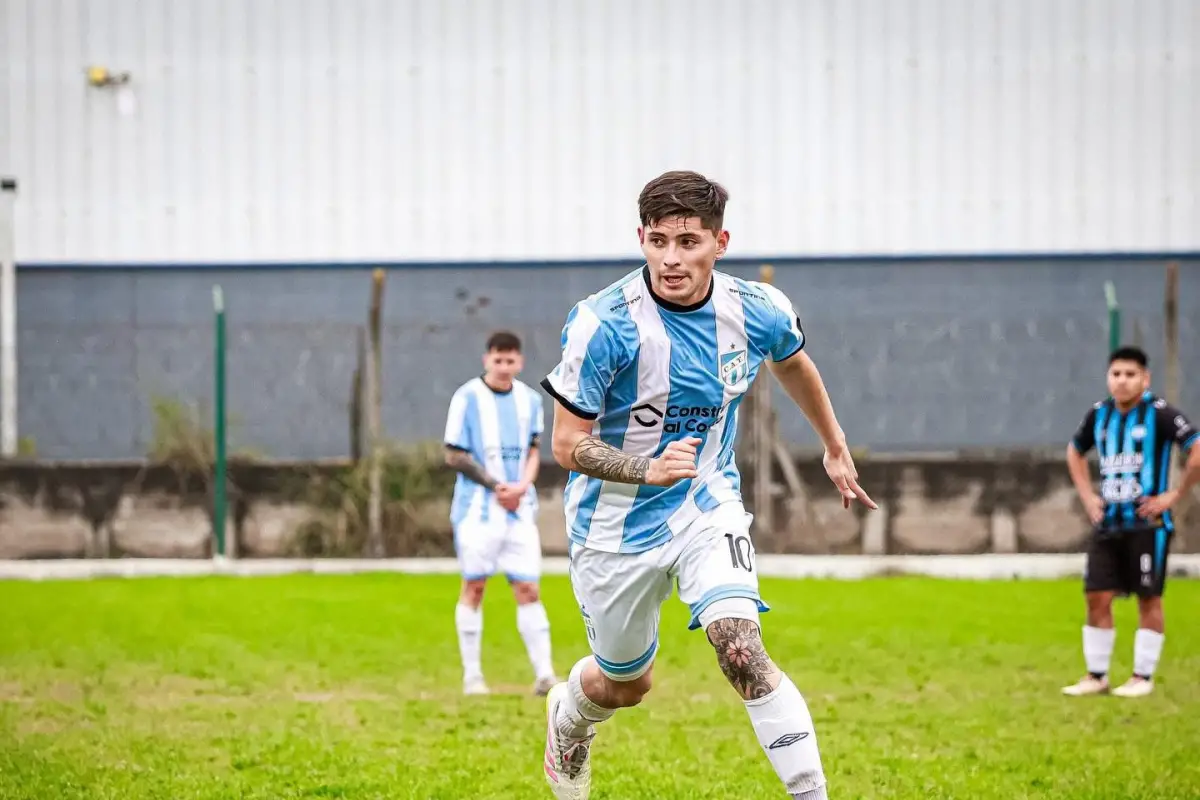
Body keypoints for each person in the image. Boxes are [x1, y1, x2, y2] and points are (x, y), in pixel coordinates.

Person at [537, 170, 877, 799]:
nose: (671, 258)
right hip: (612, 529)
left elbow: (793, 360)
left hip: (704, 504)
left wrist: (834, 444)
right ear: (640, 237)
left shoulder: (755, 309)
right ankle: (570, 722)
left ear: (720, 242)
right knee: (625, 685)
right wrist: (646, 467)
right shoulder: (602, 324)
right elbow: (565, 445)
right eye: (659, 240)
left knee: (741, 648)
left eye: (688, 241)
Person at [1061, 345, 1199, 698]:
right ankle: (1097, 675)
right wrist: (1088, 496)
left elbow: (1196, 449)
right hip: (1108, 523)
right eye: (1116, 374)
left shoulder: (1161, 414)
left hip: (1147, 526)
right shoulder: (1099, 415)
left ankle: (1142, 676)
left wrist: (1174, 495)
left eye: (1130, 375)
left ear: (1145, 378)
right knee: (1096, 594)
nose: (1122, 381)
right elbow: (1075, 451)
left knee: (1148, 597)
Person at [442, 331, 559, 697]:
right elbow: (454, 454)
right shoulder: (466, 397)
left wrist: (522, 485)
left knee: (528, 589)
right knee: (474, 587)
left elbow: (533, 449)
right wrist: (497, 487)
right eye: (498, 360)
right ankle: (473, 676)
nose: (504, 366)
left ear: (519, 362)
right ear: (486, 359)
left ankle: (545, 674)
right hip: (478, 512)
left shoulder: (529, 399)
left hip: (519, 511)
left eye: (511, 361)